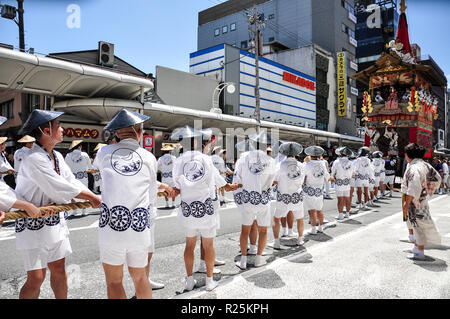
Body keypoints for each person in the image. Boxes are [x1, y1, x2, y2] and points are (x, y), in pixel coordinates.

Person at [15, 109, 101, 299]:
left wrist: (91, 195)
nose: (62, 129)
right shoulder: (33, 159)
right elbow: (58, 186)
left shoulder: (58, 156)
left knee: (59, 269)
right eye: (58, 126)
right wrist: (92, 198)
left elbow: (71, 182)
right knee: (36, 277)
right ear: (46, 131)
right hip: (32, 223)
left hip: (53, 220)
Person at [94, 109, 174, 299]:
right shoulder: (148, 157)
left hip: (112, 227)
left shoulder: (104, 152)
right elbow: (151, 191)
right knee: (140, 278)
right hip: (138, 227)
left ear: (116, 134)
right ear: (139, 133)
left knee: (114, 281)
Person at [171, 126, 236, 292]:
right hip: (206, 209)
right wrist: (228, 186)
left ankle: (189, 281)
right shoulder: (206, 159)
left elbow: (176, 184)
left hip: (187, 209)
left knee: (189, 246)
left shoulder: (178, 161)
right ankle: (209, 281)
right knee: (208, 246)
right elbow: (218, 180)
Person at [234, 131, 276, 270]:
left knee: (245, 229)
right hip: (263, 199)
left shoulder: (244, 158)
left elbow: (238, 178)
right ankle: (258, 259)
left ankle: (243, 261)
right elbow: (272, 182)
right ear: (267, 146)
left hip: (248, 198)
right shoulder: (271, 161)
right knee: (263, 230)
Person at [402, 143, 442, 260]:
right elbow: (437, 177)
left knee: (418, 225)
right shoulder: (424, 164)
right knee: (417, 224)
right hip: (421, 198)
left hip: (415, 200)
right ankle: (416, 247)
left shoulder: (414, 167)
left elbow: (414, 186)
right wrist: (429, 189)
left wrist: (407, 202)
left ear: (409, 155)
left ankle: (419, 252)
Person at [272, 142, 306, 248]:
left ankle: (277, 242)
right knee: (300, 218)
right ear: (297, 153)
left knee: (276, 218)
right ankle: (300, 239)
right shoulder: (301, 166)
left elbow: (274, 180)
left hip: (284, 195)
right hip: (297, 195)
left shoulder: (280, 165)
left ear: (284, 153)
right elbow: (303, 180)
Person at [303, 146, 330, 234]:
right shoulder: (322, 164)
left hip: (310, 190)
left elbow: (304, 178)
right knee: (319, 210)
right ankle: (321, 227)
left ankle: (313, 229)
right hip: (319, 190)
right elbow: (327, 177)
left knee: (311, 210)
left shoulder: (306, 164)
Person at [65, 140, 93, 216]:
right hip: (83, 176)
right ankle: (84, 211)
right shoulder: (85, 154)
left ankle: (74, 211)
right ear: (80, 147)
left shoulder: (68, 155)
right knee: (85, 192)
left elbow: (65, 168)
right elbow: (90, 167)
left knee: (74, 193)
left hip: (73, 177)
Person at [331, 146, 355, 220]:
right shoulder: (351, 163)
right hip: (347, 182)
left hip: (339, 182)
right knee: (347, 198)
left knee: (340, 199)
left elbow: (333, 172)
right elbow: (352, 174)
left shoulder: (336, 162)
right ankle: (347, 214)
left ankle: (340, 214)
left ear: (340, 154)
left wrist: (332, 177)